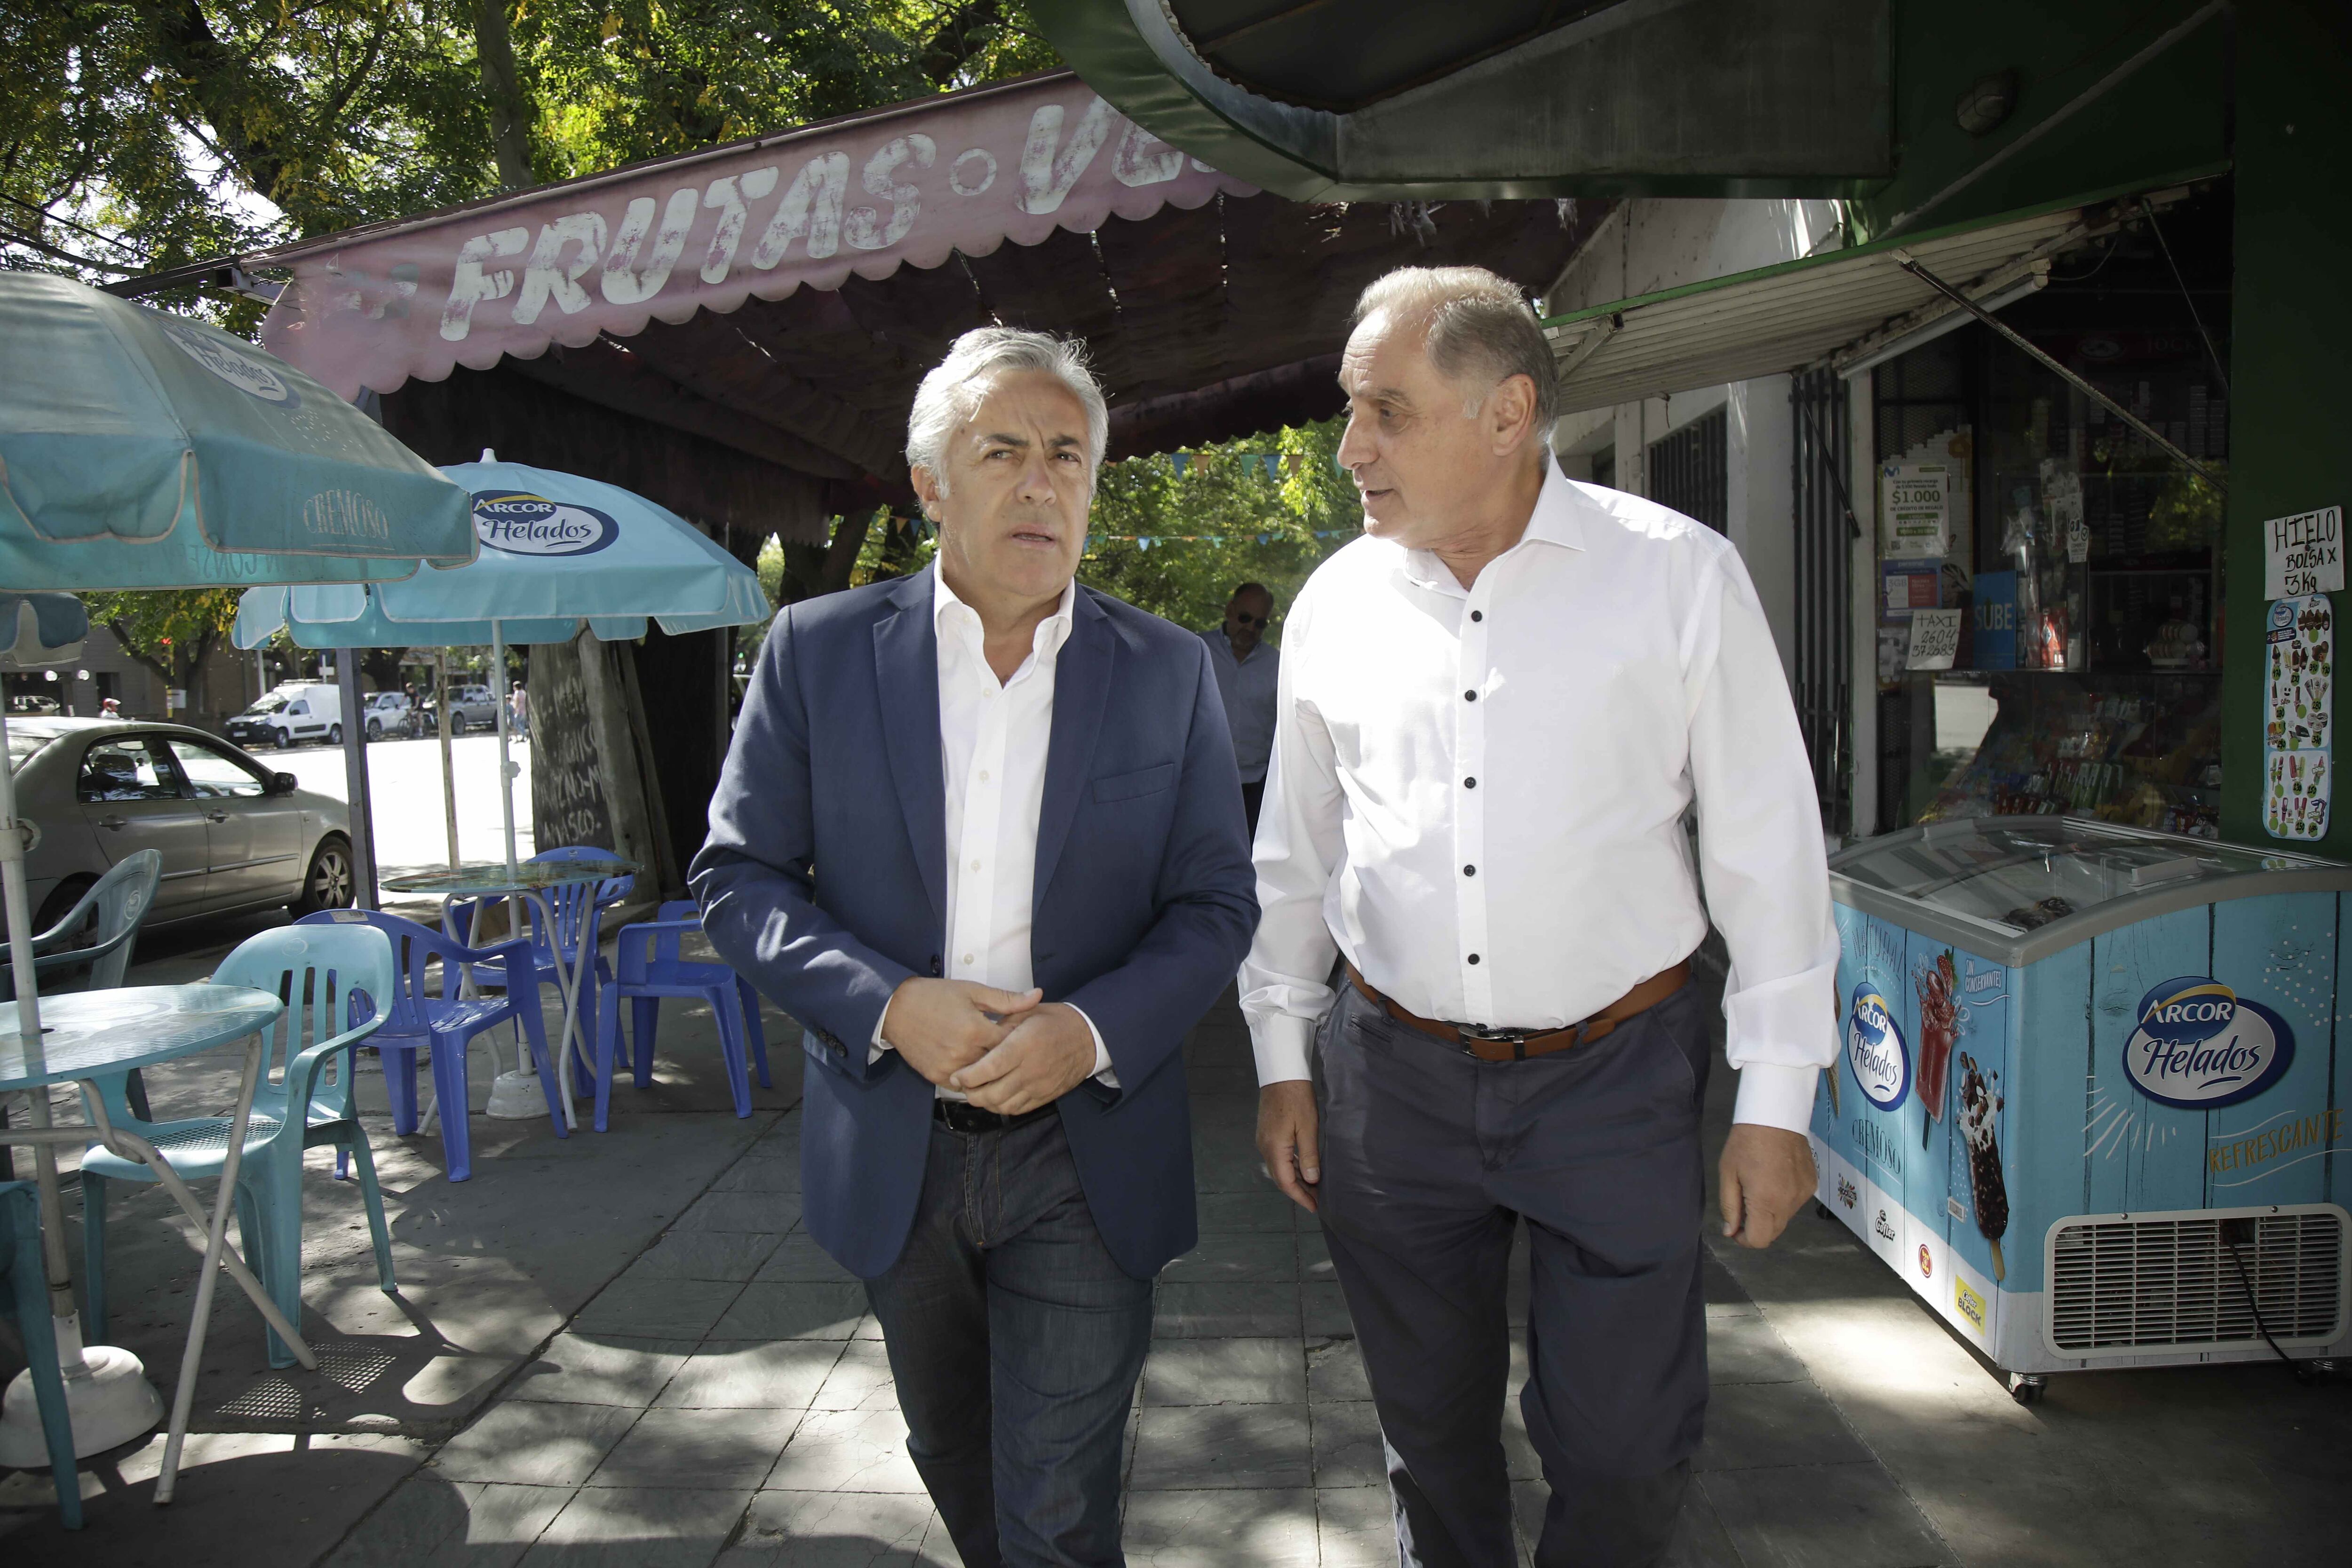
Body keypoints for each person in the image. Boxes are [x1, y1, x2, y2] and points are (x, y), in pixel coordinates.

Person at [1245, 266, 1837, 1568]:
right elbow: (1298, 856)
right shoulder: (1337, 603)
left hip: (1617, 1079)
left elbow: (1766, 844)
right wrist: (1284, 1055)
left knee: (1625, 1448)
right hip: (1390, 1082)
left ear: (1508, 412)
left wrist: (1777, 1101)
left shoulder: (1677, 577)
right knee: (1430, 1440)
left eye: (1386, 411)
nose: (1353, 448)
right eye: (1352, 412)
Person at [693, 326, 1258, 1568]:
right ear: (932, 483)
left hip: (1086, 1152)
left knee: (1057, 1504)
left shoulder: (1166, 672)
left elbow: (1218, 903)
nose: (1041, 480)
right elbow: (735, 880)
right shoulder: (820, 655)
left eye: (1067, 454)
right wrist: (890, 1003)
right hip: (902, 1144)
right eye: (1002, 450)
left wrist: (1090, 1029)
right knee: (958, 1460)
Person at [1201, 581, 1280, 836]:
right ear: (1230, 610)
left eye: (1260, 623)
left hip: (1258, 786)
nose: (1250, 628)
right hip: (1202, 781)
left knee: (1252, 861)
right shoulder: (1197, 651)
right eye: (1245, 618)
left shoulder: (1278, 664)